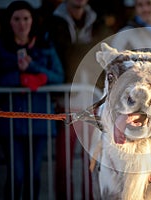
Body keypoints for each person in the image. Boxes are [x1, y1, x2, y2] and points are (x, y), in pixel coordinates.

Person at [0, 1, 64, 199]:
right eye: (16, 19)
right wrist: (19, 78)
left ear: (32, 20)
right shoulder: (1, 47)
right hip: (11, 121)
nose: (22, 24)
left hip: (39, 120)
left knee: (33, 176)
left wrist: (35, 70)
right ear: (9, 22)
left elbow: (58, 76)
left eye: (26, 18)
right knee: (16, 175)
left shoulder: (45, 44)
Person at [47, 0, 112, 199]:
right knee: (63, 162)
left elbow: (104, 56)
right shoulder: (53, 22)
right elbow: (58, 56)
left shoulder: (98, 22)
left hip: (92, 100)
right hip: (65, 100)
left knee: (90, 160)